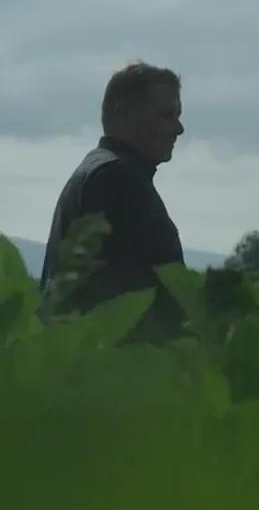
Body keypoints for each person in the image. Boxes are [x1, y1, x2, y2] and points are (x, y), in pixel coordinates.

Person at [39, 61, 187, 341]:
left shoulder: (99, 172)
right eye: (165, 116)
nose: (179, 128)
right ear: (123, 114)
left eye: (177, 116)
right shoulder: (117, 179)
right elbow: (120, 296)